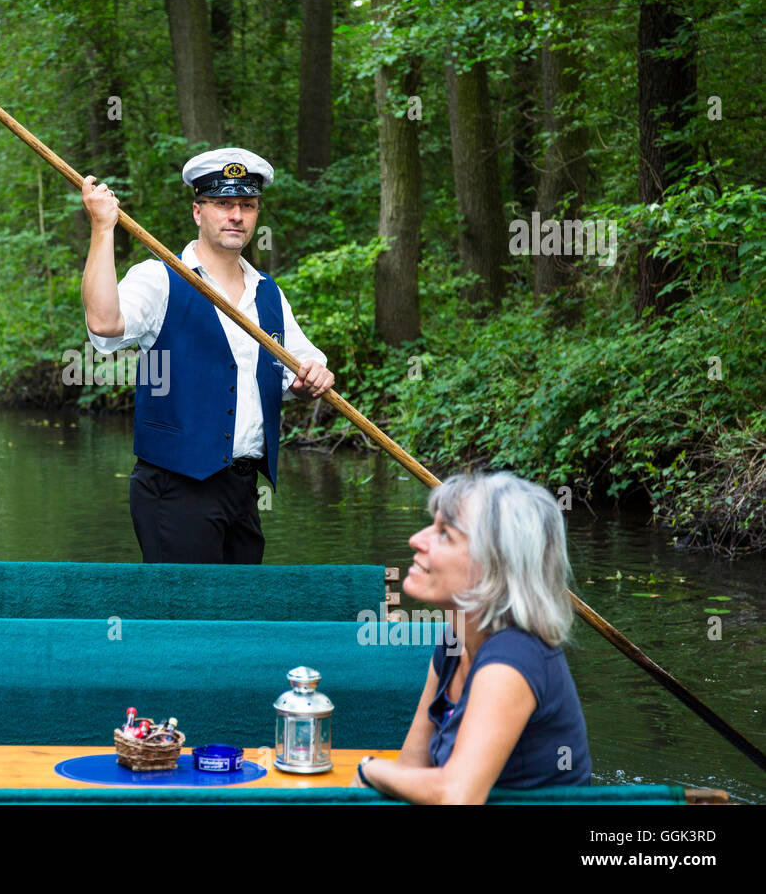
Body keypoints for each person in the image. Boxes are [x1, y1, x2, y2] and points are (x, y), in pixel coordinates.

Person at [81, 147, 334, 564]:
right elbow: (105, 322)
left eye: (247, 205)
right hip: (174, 487)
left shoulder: (268, 293)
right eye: (223, 204)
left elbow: (303, 371)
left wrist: (314, 379)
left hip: (244, 489)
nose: (236, 215)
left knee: (238, 622)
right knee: (182, 621)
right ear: (198, 212)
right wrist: (103, 230)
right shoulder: (160, 276)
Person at [351, 471, 592, 803]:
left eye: (444, 534)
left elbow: (458, 797)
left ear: (495, 565)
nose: (417, 540)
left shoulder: (515, 659)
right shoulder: (454, 644)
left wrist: (370, 768)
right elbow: (410, 767)